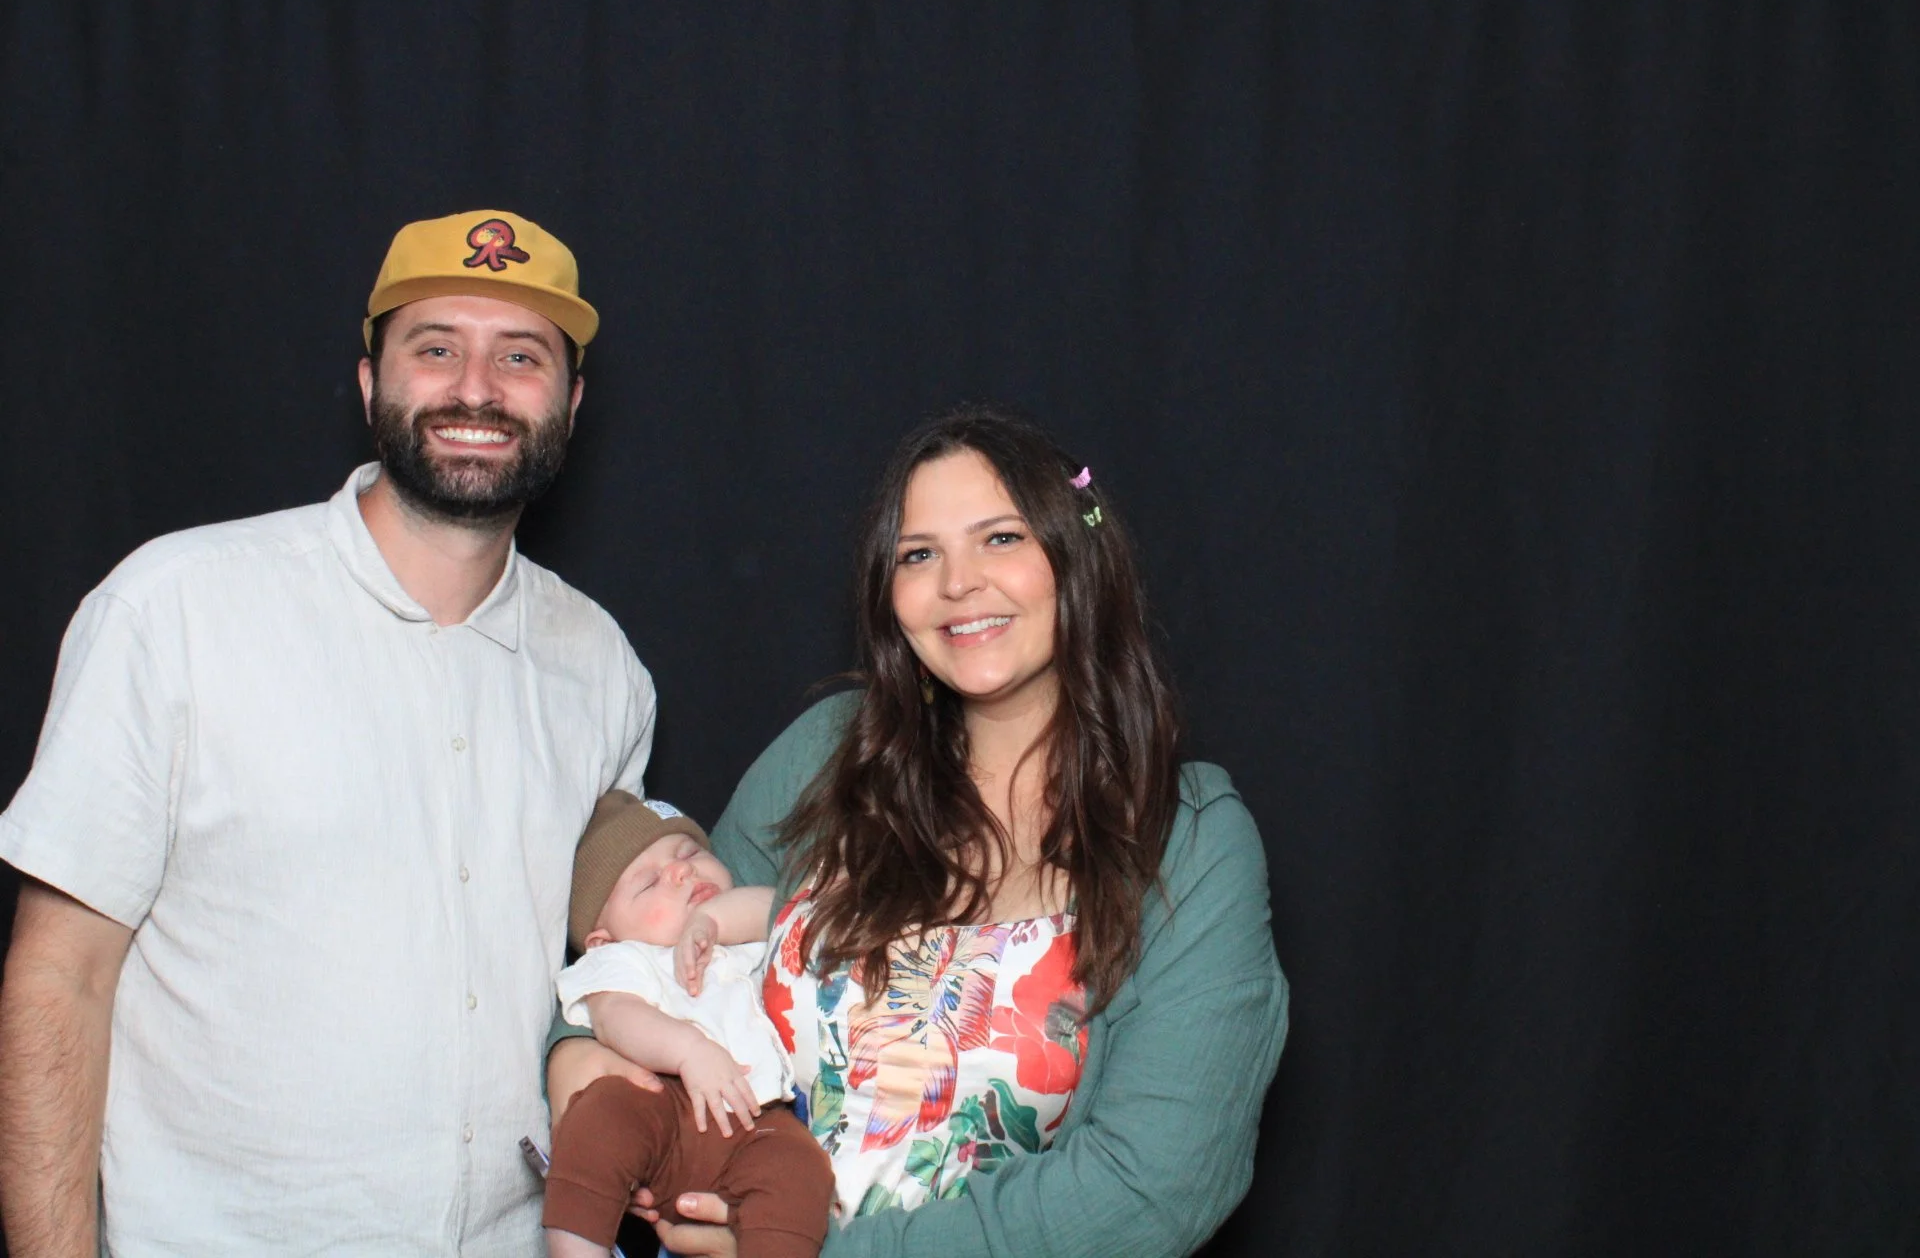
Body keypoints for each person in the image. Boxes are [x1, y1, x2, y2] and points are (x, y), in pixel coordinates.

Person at [0, 210, 658, 1256]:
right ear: (369, 383)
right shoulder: (174, 610)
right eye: (435, 347)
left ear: (570, 403)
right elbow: (59, 975)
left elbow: (609, 982)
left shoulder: (602, 668)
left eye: (520, 356)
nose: (476, 389)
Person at [549, 408, 1289, 1256]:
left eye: (1002, 538)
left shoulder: (1190, 840)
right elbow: (651, 946)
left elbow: (1154, 1186)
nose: (958, 582)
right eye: (919, 553)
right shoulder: (831, 756)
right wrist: (577, 1058)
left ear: (1077, 556)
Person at [543, 791, 831, 1258]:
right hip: (665, 1107)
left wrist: (712, 921)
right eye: (649, 882)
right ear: (601, 939)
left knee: (802, 1172)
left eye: (691, 853)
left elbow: (781, 909)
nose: (682, 871)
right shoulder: (624, 957)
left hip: (762, 1120)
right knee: (600, 1117)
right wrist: (688, 1050)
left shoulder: (741, 942)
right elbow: (618, 1017)